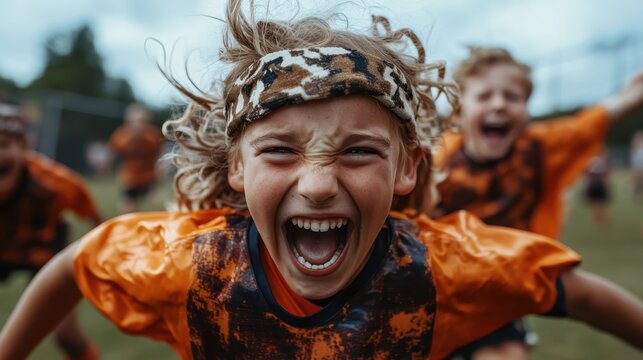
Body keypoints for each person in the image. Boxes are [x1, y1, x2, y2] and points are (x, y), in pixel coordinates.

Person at [1, 2, 643, 359]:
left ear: (406, 167)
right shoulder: (189, 268)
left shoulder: (444, 269)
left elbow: (577, 293)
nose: (315, 185)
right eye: (279, 150)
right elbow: (79, 260)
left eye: (359, 152)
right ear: (236, 166)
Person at [432, 47, 643, 359]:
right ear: (458, 112)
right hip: (442, 287)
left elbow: (587, 124)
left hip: (507, 285)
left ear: (527, 110)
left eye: (512, 96)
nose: (499, 104)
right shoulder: (441, 160)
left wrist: (629, 95)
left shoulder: (539, 149)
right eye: (485, 96)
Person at [0, 100, 100, 360]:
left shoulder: (54, 183)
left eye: (3, 145)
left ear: (24, 148)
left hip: (44, 250)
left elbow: (93, 216)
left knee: (67, 336)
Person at [109, 103, 163, 213]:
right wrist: (108, 165)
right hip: (130, 177)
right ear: (129, 121)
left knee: (157, 205)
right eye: (136, 121)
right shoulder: (122, 135)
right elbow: (113, 151)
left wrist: (161, 166)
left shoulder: (152, 135)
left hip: (148, 176)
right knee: (128, 209)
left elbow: (159, 153)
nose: (139, 125)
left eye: (142, 121)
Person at [583, 149, 611, 227]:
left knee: (595, 203)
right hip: (599, 184)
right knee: (601, 204)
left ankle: (598, 220)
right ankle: (602, 220)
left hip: (593, 184)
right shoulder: (601, 160)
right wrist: (607, 183)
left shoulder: (590, 160)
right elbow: (605, 174)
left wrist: (587, 185)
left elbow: (587, 174)